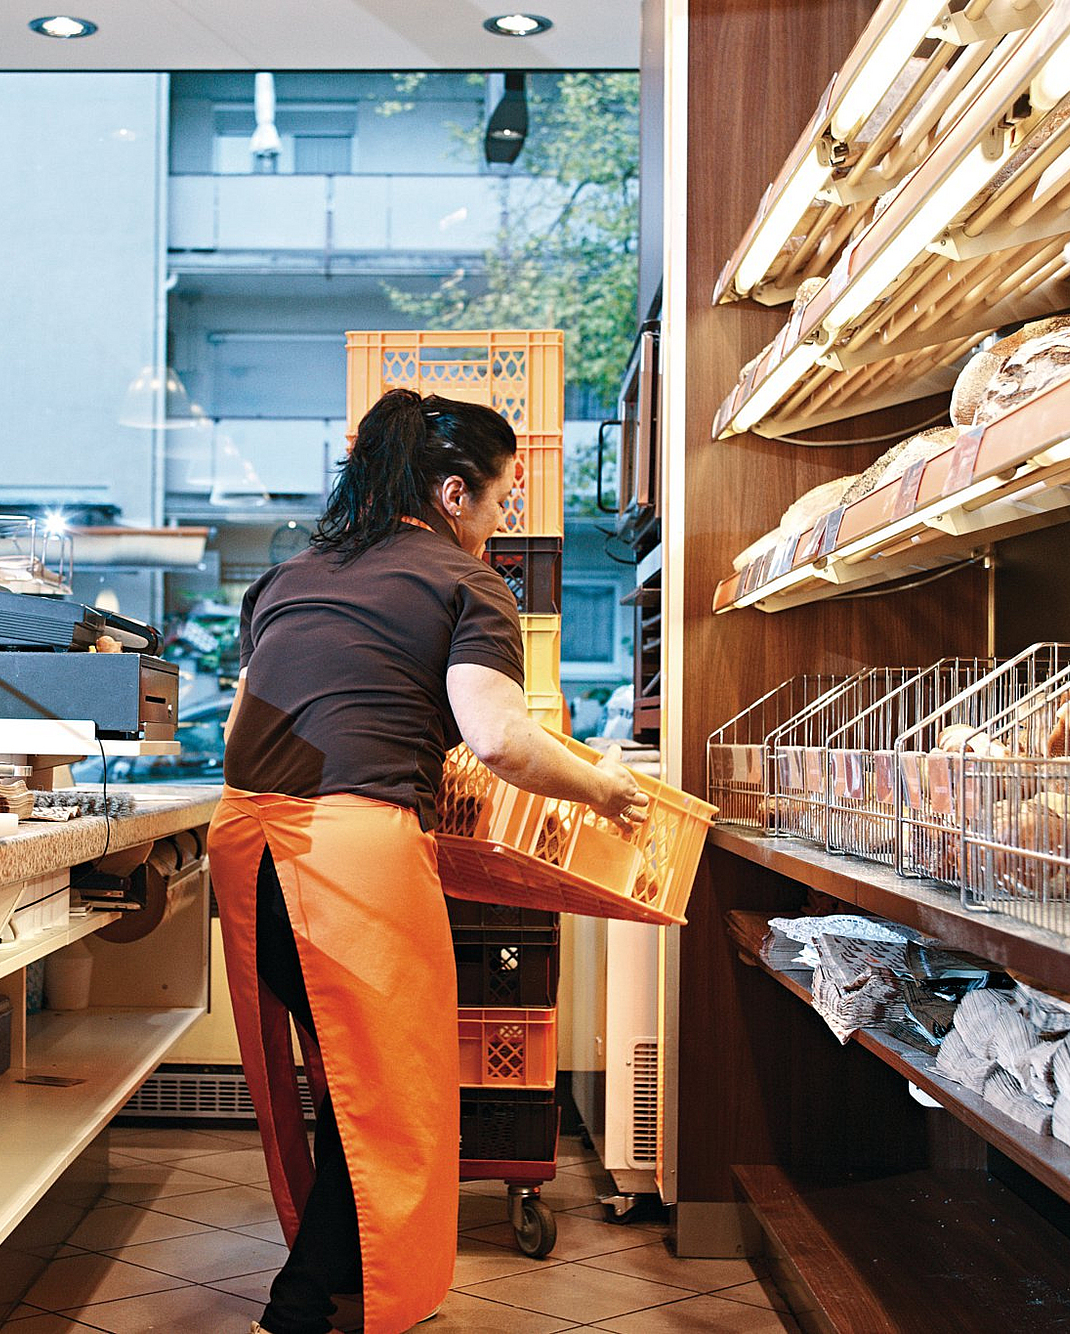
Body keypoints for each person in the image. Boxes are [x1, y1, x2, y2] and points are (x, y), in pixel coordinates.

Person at [211, 388, 649, 1334]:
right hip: (349, 855)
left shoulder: (288, 576)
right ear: (454, 495)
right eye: (499, 501)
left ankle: (331, 1279)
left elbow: (251, 722)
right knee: (390, 1090)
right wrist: (602, 787)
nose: (500, 523)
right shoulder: (467, 583)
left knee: (339, 1079)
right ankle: (297, 1310)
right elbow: (499, 740)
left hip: (245, 844)